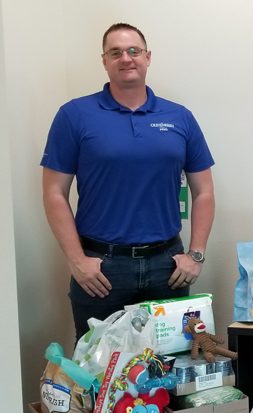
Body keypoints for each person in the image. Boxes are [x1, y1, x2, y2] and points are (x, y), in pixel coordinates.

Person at [41, 23, 215, 341]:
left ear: (147, 57)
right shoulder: (74, 115)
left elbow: (203, 191)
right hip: (102, 268)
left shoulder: (180, 117)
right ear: (104, 60)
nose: (126, 58)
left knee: (171, 367)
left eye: (134, 50)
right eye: (116, 52)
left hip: (168, 267)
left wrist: (196, 254)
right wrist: (77, 261)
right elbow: (54, 193)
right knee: (99, 372)